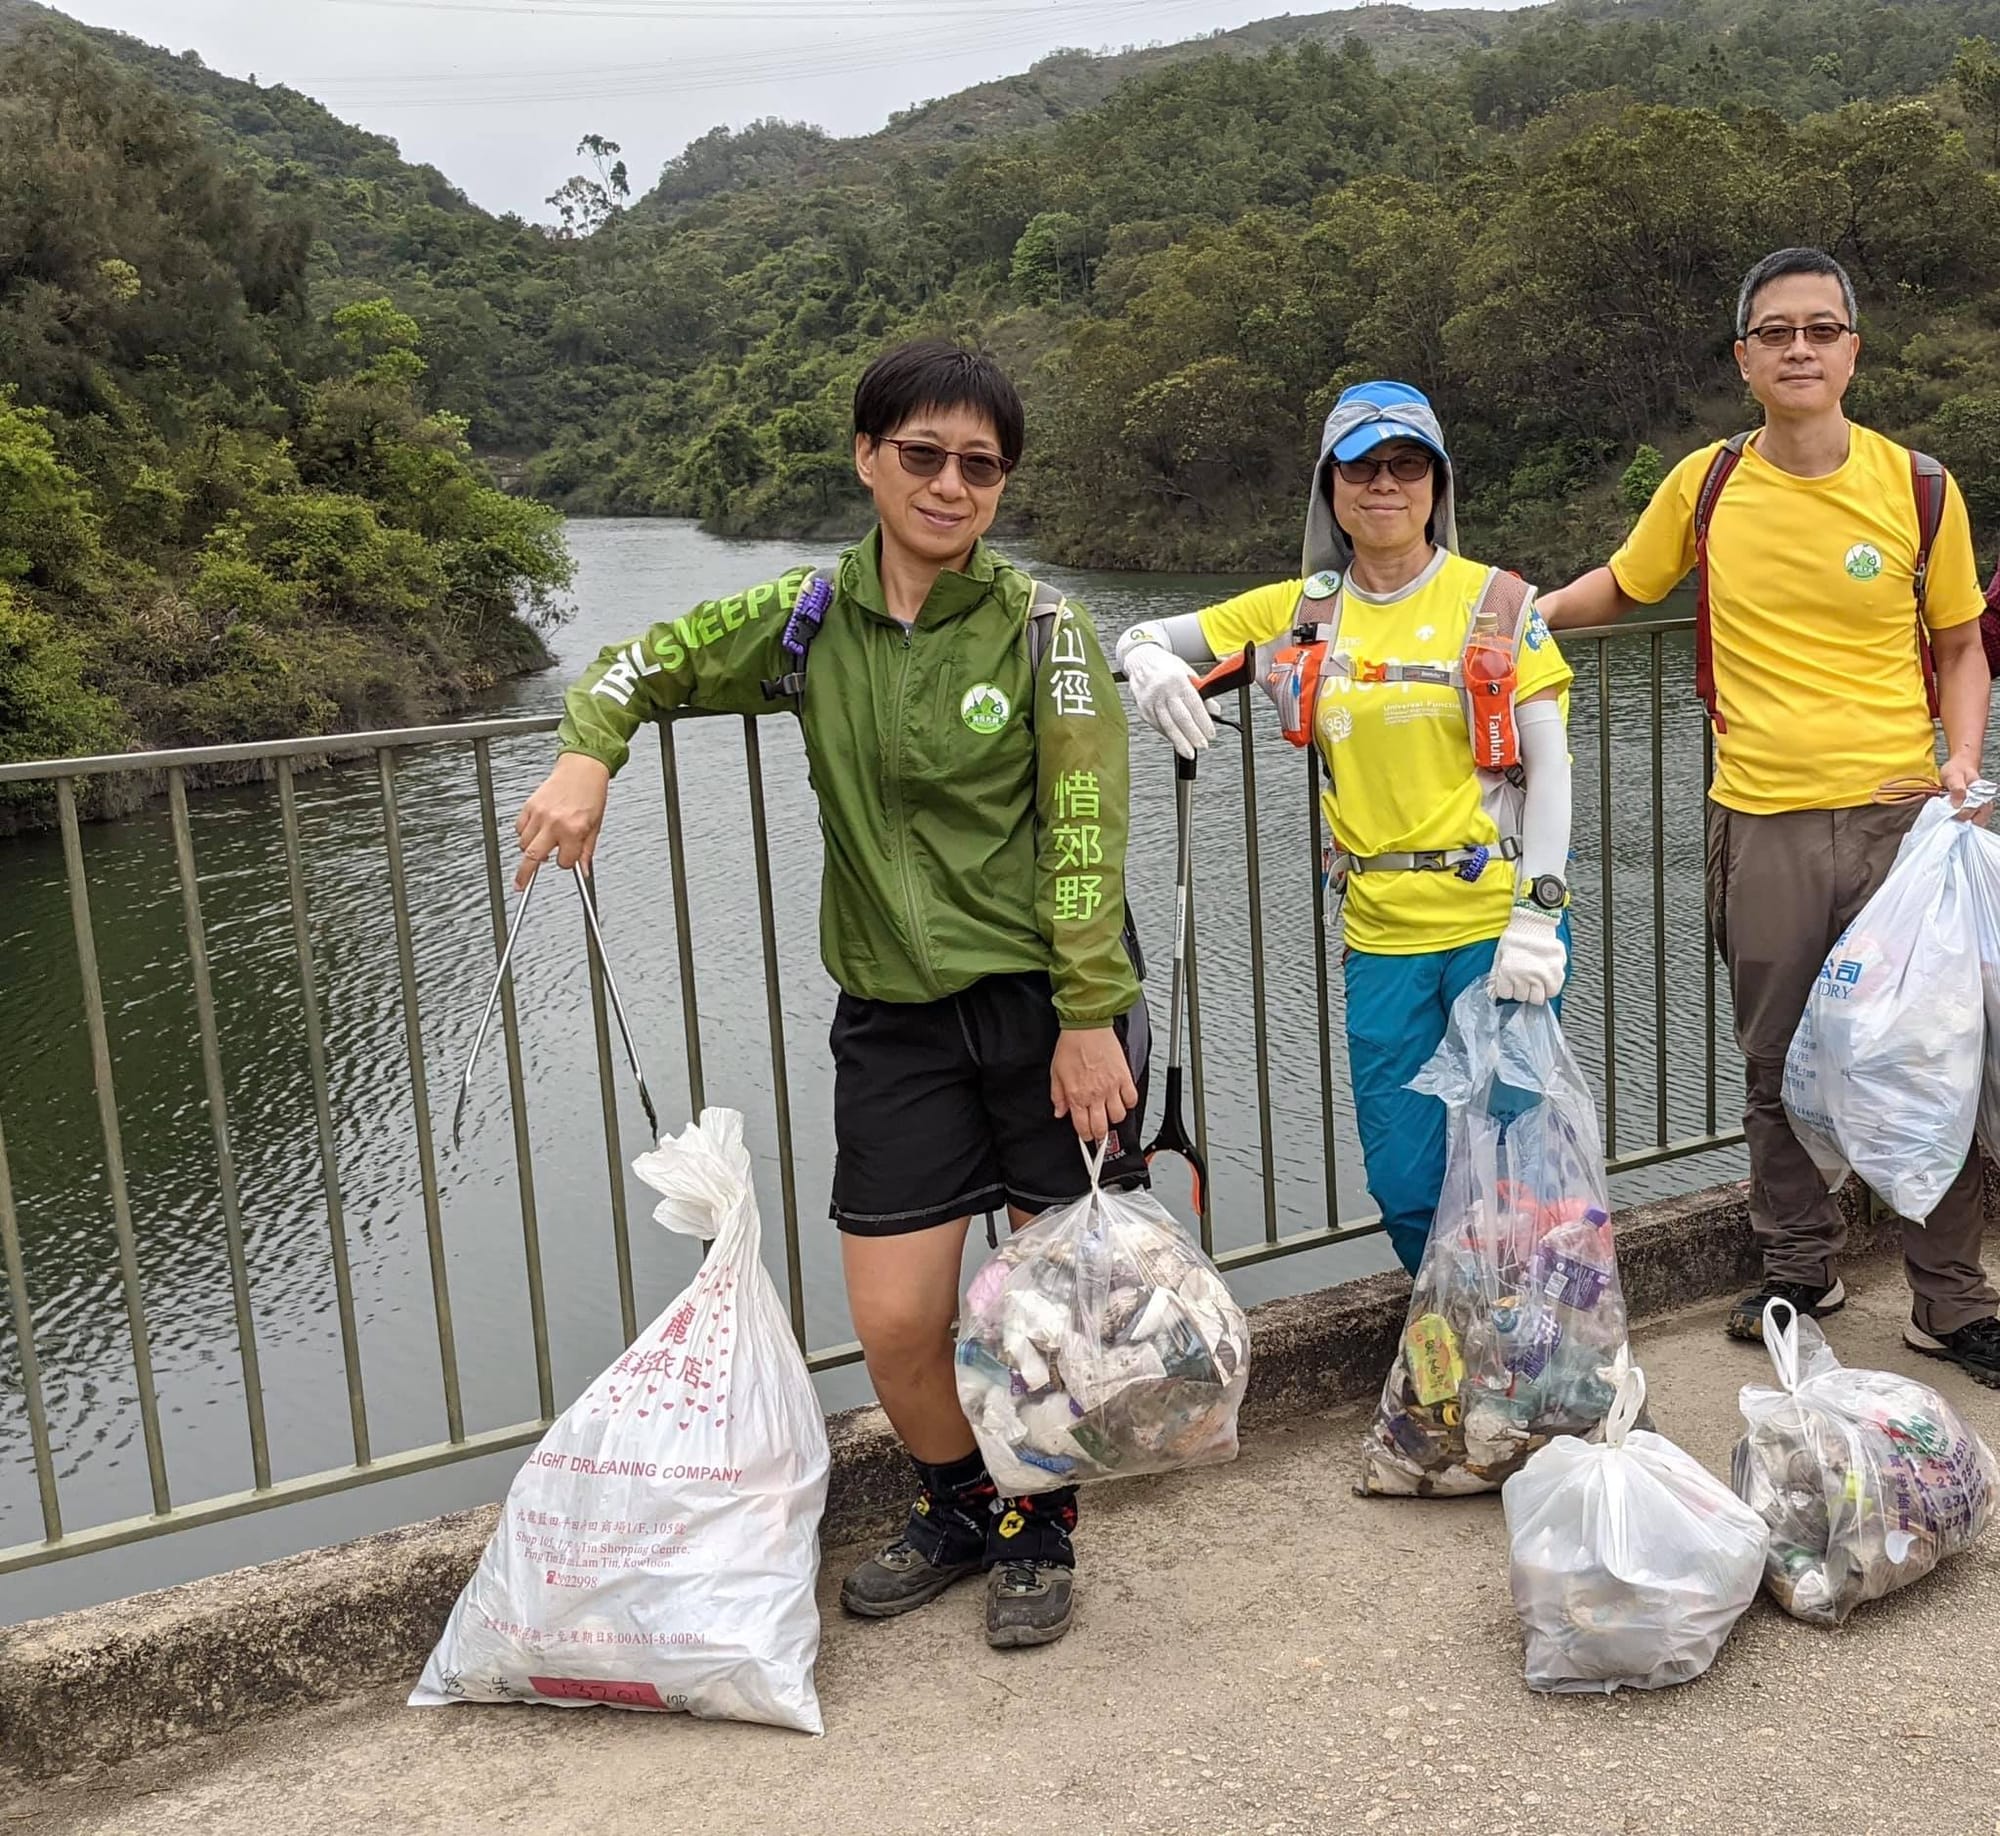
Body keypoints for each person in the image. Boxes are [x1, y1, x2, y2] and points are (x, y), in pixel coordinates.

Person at [512, 340, 1149, 1647]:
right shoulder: (809, 620)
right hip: (895, 1025)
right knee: (896, 1317)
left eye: (980, 465)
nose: (949, 483)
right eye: (922, 454)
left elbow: (1084, 832)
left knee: (1049, 1306)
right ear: (868, 458)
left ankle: (1041, 1526)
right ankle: (960, 1502)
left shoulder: (1046, 633)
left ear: (1003, 486)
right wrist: (588, 757)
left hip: (1045, 1007)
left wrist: (1091, 1019)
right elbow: (640, 664)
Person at [1537, 246, 2000, 1381]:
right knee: (1773, 1055)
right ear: (1743, 358)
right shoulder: (1703, 485)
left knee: (1937, 1058)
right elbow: (1620, 589)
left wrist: (1961, 762)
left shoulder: (1915, 484)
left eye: (1820, 329)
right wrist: (1502, 624)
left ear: (1850, 350)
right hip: (1761, 819)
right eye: (1774, 332)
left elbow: (1958, 646)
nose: (1799, 348)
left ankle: (1946, 1299)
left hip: (1902, 820)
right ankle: (1800, 1264)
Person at [1117, 379, 1576, 1278]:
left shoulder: (1499, 603)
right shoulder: (1302, 611)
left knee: (1517, 1174)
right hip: (1379, 937)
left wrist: (1540, 917)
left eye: (1407, 465)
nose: (1384, 485)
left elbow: (1551, 767)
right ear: (1331, 488)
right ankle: (1448, 1334)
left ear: (1438, 485)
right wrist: (1145, 664)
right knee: (1405, 1179)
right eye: (1360, 467)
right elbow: (1148, 634)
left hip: (1495, 928)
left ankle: (1536, 1357)